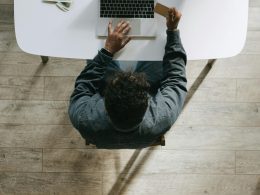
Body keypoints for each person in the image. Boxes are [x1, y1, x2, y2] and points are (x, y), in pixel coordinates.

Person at [68, 8, 187, 149]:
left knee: (96, 47)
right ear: (147, 103)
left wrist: (107, 51)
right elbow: (176, 79)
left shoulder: (83, 118)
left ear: (105, 101)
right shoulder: (163, 115)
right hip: (143, 135)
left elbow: (84, 85)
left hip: (104, 136)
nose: (129, 73)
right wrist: (172, 32)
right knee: (158, 46)